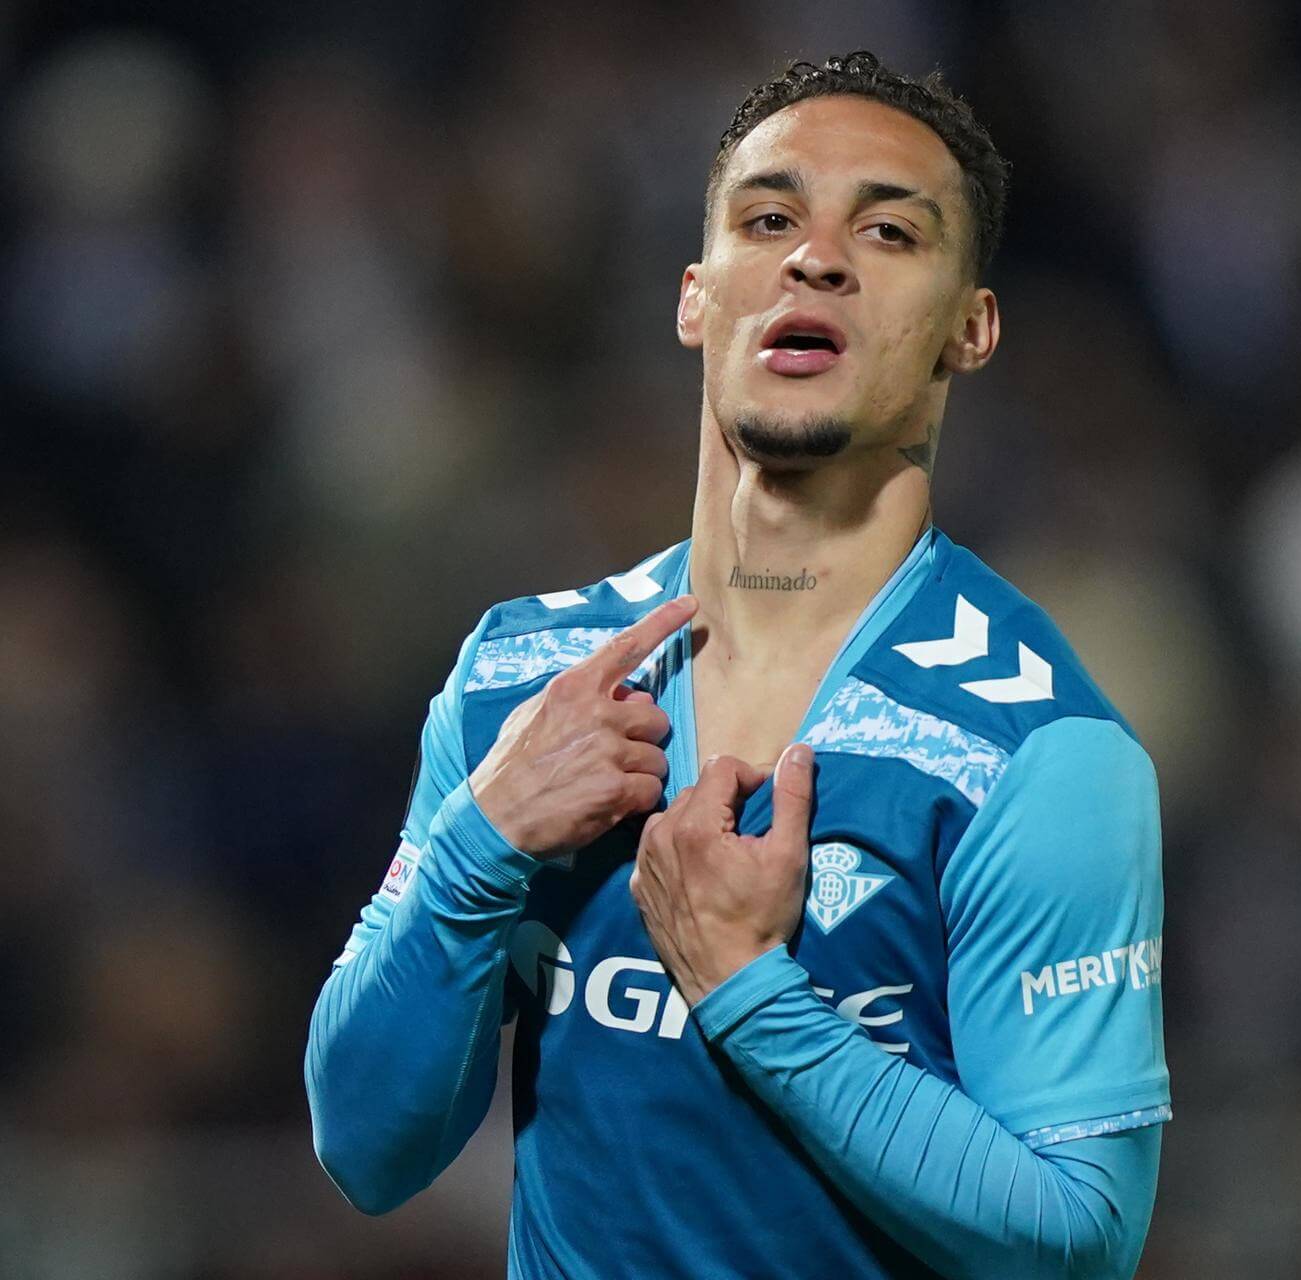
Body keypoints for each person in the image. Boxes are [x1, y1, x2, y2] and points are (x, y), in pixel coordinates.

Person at [305, 51, 1168, 1280]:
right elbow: (365, 1145)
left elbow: (1079, 1239)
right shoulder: (522, 683)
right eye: (770, 219)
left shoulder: (1036, 751)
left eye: (888, 230)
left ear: (968, 329)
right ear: (698, 296)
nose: (816, 256)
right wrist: (478, 844)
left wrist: (750, 988)